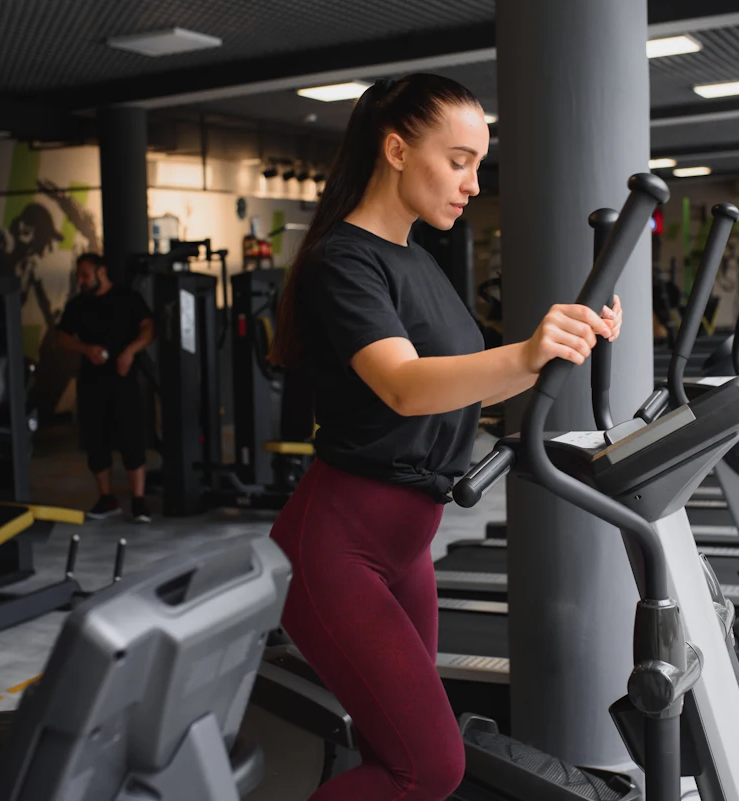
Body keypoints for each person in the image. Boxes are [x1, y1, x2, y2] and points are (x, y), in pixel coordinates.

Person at [267, 74, 623, 801]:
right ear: (396, 148)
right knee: (428, 767)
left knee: (396, 750)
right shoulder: (345, 260)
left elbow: (464, 383)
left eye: (479, 165)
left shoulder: (418, 258)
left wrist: (561, 344)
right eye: (458, 160)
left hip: (406, 544)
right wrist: (528, 350)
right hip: (340, 544)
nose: (472, 182)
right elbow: (403, 383)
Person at [57, 253, 155, 522]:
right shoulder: (78, 305)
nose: (81, 280)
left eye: (85, 275)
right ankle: (106, 498)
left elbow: (148, 327)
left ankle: (138, 501)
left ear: (102, 272)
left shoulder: (128, 298)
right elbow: (63, 337)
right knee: (95, 441)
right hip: (91, 382)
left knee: (131, 439)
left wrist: (130, 352)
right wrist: (85, 348)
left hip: (124, 381)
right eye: (79, 275)